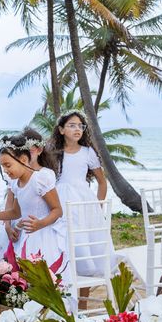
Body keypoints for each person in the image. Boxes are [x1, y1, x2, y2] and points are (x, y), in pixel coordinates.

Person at [50, 111, 112, 304]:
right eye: (72, 125)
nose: (77, 129)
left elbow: (102, 183)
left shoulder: (88, 153)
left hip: (83, 206)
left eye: (80, 126)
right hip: (59, 203)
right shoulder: (52, 153)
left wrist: (97, 208)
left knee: (84, 252)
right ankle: (61, 299)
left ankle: (83, 302)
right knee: (62, 247)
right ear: (61, 130)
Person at [0, 134, 69, 278]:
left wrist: (40, 223)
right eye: (2, 166)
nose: (5, 170)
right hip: (26, 236)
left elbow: (57, 210)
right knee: (23, 278)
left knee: (44, 279)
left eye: (8, 165)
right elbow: (15, 212)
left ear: (24, 160)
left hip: (43, 236)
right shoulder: (16, 183)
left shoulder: (40, 179)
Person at [0, 127, 46, 259]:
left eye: (30, 149)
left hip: (37, 227)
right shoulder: (15, 177)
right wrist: (7, 226)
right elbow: (10, 203)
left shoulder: (44, 176)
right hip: (17, 224)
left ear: (39, 150)